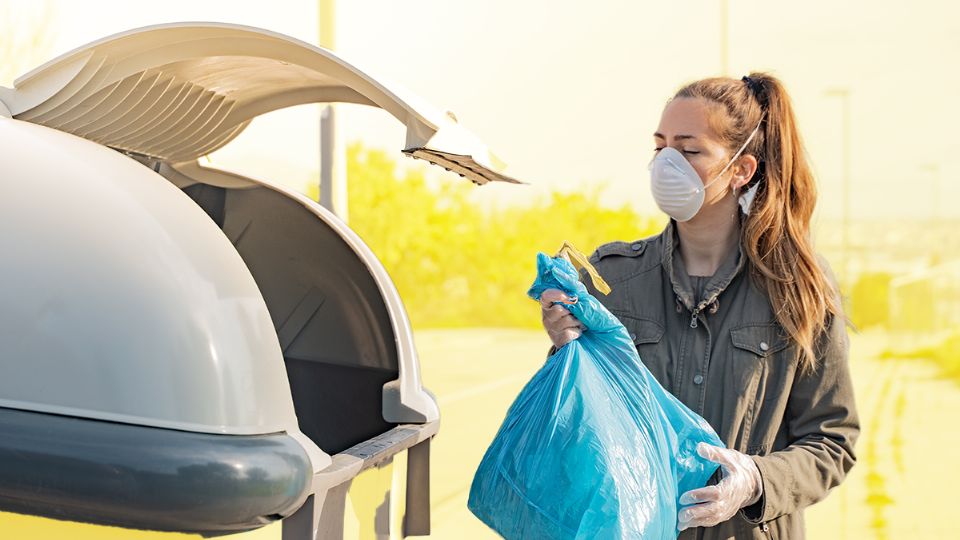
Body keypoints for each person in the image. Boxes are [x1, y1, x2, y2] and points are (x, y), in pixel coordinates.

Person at [539, 72, 859, 539]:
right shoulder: (615, 280)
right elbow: (571, 430)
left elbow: (833, 440)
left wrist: (755, 481)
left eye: (689, 150)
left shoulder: (799, 290)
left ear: (741, 170)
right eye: (660, 146)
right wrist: (566, 351)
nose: (668, 163)